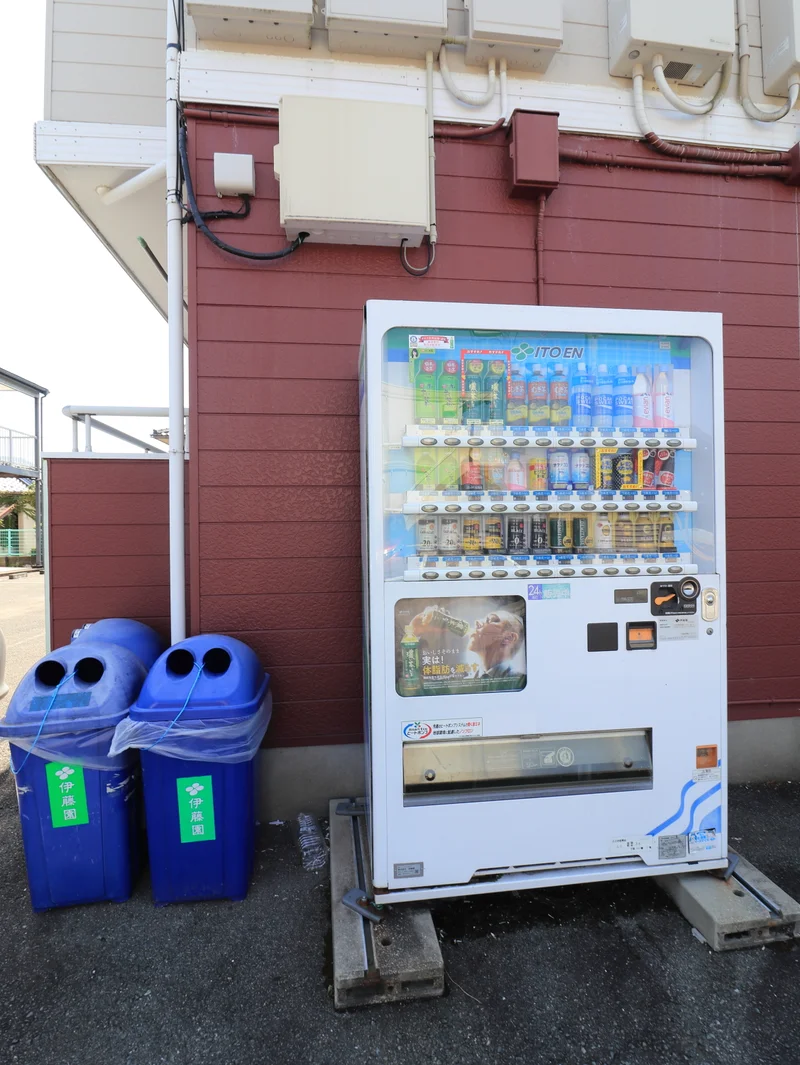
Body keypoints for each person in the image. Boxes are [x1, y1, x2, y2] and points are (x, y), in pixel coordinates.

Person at [408, 607, 524, 681]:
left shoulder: (518, 680)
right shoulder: (466, 678)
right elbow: (411, 683)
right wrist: (414, 632)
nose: (477, 622)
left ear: (508, 638)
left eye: (491, 619)